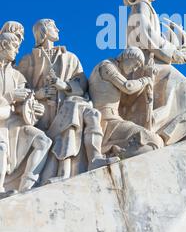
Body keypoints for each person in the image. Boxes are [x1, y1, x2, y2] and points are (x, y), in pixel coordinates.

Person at [18, 19, 117, 182]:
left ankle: (95, 158)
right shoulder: (28, 61)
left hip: (68, 107)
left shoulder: (70, 57)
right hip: (42, 117)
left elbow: (82, 83)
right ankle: (66, 171)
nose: (57, 29)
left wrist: (63, 85)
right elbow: (19, 89)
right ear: (43, 31)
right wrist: (39, 93)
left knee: (90, 113)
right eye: (52, 26)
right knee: (74, 110)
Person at [123, 0, 186, 145]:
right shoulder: (140, 6)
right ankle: (178, 131)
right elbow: (147, 34)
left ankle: (176, 129)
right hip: (144, 66)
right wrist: (174, 53)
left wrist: (175, 48)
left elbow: (154, 37)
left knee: (185, 86)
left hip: (153, 61)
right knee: (184, 84)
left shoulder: (146, 8)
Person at [89, 47, 164, 158]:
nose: (134, 69)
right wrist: (146, 79)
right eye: (135, 65)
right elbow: (127, 87)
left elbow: (127, 99)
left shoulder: (113, 69)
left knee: (156, 142)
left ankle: (116, 151)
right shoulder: (107, 66)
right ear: (128, 56)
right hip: (107, 122)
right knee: (153, 141)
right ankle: (114, 152)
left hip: (112, 120)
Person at [0, 32, 51, 196]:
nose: (17, 51)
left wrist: (35, 110)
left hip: (14, 123)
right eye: (14, 47)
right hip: (1, 123)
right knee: (1, 148)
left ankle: (26, 189)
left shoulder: (17, 76)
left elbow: (25, 105)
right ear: (3, 46)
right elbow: (11, 99)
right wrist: (10, 96)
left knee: (43, 141)